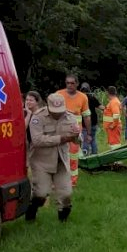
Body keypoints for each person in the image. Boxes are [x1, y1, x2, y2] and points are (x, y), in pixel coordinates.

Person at [27, 93, 80, 222]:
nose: (58, 114)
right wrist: (61, 138)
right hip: (41, 161)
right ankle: (31, 210)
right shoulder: (38, 117)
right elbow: (37, 140)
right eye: (54, 111)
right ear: (48, 106)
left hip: (61, 161)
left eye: (60, 111)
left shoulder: (70, 117)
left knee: (66, 193)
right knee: (41, 193)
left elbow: (78, 140)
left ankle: (63, 221)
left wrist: (77, 136)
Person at [55, 75, 91, 186]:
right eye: (67, 83)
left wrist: (89, 133)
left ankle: (72, 181)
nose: (69, 85)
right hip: (60, 130)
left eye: (72, 83)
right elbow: (52, 112)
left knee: (73, 156)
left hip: (75, 133)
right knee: (59, 155)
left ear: (77, 84)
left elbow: (86, 116)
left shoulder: (83, 97)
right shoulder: (58, 95)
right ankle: (58, 179)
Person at [80, 82, 100, 156]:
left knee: (85, 140)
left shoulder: (80, 99)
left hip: (84, 123)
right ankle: (94, 154)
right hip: (94, 122)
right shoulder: (93, 98)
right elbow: (100, 107)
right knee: (93, 139)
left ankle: (85, 156)